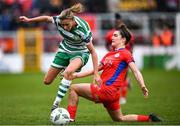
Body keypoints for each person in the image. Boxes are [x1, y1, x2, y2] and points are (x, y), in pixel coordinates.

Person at [67, 24, 162, 122]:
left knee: (74, 88)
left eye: (115, 36)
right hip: (112, 94)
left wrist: (142, 85)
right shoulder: (109, 54)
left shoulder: (126, 53)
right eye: (112, 35)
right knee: (119, 118)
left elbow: (136, 71)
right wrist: (76, 75)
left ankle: (70, 119)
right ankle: (149, 118)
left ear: (123, 39)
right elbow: (95, 70)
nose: (112, 37)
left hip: (106, 91)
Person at [19, 3, 101, 111]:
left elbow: (93, 52)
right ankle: (66, 69)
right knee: (47, 81)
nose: (65, 27)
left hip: (80, 52)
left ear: (73, 20)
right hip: (64, 49)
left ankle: (55, 104)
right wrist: (29, 20)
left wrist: (96, 74)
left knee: (68, 72)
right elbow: (46, 18)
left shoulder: (83, 30)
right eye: (63, 25)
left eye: (67, 25)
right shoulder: (59, 20)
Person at [105, 13, 135, 104]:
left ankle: (123, 97)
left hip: (124, 58)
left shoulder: (128, 34)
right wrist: (110, 50)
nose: (117, 24)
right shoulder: (110, 34)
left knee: (123, 77)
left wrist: (130, 54)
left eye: (119, 22)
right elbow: (106, 44)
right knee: (114, 78)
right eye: (116, 22)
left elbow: (132, 45)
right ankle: (115, 94)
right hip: (114, 58)